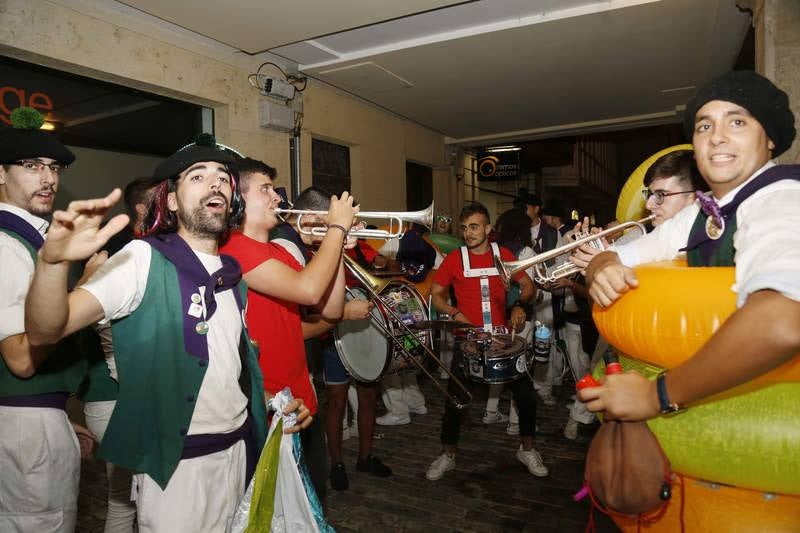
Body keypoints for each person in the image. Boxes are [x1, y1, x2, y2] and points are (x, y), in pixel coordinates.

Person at [24, 135, 311, 532]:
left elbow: (225, 370)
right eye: (197, 176)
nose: (215, 183)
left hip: (240, 454)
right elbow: (45, 331)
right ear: (172, 200)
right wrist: (52, 264)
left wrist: (270, 402)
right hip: (179, 468)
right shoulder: (143, 259)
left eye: (223, 178)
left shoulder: (231, 276)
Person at [578, 70, 800, 422]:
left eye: (737, 122)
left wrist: (657, 394)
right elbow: (618, 254)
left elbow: (781, 322)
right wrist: (601, 268)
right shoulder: (703, 210)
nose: (717, 138)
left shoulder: (781, 199)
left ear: (769, 138)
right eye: (704, 126)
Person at [220, 157, 358, 502]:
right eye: (265, 189)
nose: (277, 198)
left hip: (301, 401)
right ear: (238, 197)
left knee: (311, 505)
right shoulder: (234, 249)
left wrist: (336, 246)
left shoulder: (277, 252)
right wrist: (337, 229)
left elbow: (330, 308)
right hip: (267, 409)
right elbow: (309, 290)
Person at [271, 187, 393, 492]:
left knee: (367, 396)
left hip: (335, 332)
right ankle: (336, 462)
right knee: (335, 401)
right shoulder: (287, 249)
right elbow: (304, 313)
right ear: (311, 219)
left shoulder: (307, 246)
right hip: (322, 342)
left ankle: (365, 457)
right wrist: (341, 314)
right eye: (329, 222)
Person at [0, 106, 86, 532]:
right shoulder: (9, 243)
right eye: (31, 166)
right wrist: (83, 298)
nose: (49, 178)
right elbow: (20, 358)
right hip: (23, 424)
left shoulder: (31, 236)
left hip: (31, 414)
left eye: (53, 167)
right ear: (0, 174)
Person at [425, 202, 548, 481]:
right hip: (467, 342)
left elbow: (528, 287)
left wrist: (519, 305)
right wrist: (455, 312)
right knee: (455, 402)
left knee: (526, 397)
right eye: (465, 227)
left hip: (503, 340)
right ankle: (448, 454)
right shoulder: (455, 259)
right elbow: (436, 294)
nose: (468, 233)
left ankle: (527, 449)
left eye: (475, 226)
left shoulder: (502, 255)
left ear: (488, 229)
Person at [80, 176, 156, 533]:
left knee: (132, 500)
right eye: (162, 198)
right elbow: (105, 328)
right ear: (142, 208)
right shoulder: (122, 253)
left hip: (121, 394)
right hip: (113, 395)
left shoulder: (149, 247)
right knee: (128, 500)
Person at [516, 193, 565, 406]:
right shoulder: (518, 229)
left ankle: (543, 386)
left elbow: (562, 259)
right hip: (523, 292)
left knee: (545, 340)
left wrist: (549, 278)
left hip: (544, 291)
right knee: (522, 340)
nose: (522, 211)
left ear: (536, 208)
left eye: (525, 207)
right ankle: (521, 383)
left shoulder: (552, 234)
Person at [641, 149, 706, 227]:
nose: (648, 206)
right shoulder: (637, 235)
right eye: (648, 194)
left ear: (694, 198)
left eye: (660, 195)